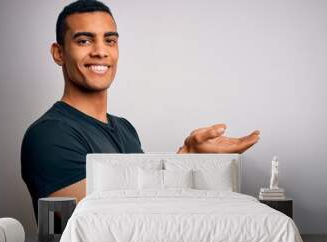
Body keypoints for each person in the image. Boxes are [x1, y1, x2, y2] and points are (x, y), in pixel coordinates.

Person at [21, 0, 260, 221]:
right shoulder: (48, 135)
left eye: (110, 40)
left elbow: (146, 200)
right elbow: (101, 221)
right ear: (59, 53)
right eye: (84, 41)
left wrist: (187, 159)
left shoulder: (125, 129)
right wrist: (183, 165)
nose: (101, 51)